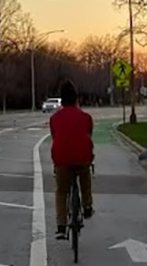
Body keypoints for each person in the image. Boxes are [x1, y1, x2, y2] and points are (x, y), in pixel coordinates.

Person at [49, 81, 94, 240]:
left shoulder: (54, 118)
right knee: (85, 178)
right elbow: (89, 134)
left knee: (62, 191)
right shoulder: (86, 117)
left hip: (62, 159)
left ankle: (61, 226)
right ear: (76, 99)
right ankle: (87, 206)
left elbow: (55, 136)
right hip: (82, 157)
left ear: (61, 100)